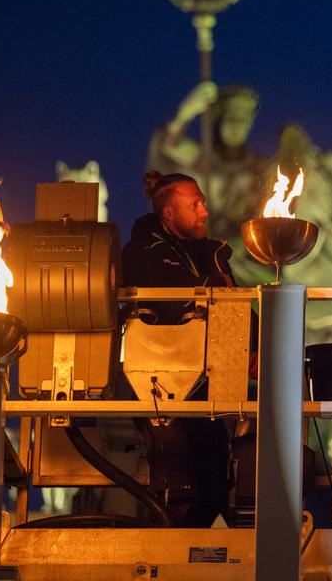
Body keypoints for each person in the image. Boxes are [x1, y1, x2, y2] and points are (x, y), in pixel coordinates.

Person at [121, 170, 237, 526]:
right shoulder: (143, 252)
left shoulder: (206, 254)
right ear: (169, 214)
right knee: (180, 485)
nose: (205, 211)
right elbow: (181, 303)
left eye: (202, 202)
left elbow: (235, 308)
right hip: (164, 386)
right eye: (195, 204)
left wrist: (256, 346)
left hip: (206, 384)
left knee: (216, 480)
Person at [146, 82, 267, 243]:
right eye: (231, 118)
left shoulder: (258, 169)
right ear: (219, 121)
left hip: (240, 253)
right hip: (197, 246)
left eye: (242, 119)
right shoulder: (201, 158)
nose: (236, 126)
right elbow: (169, 143)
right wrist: (185, 113)